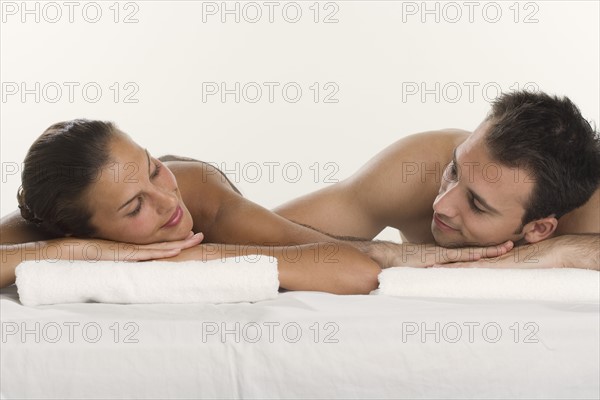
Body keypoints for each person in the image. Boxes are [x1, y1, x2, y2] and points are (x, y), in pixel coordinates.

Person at [0, 120, 507, 292]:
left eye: (154, 168)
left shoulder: (196, 194)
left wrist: (187, 255)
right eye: (135, 207)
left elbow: (354, 270)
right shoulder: (45, 225)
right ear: (86, 230)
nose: (167, 202)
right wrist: (72, 251)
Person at [274, 90, 600, 270]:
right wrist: (389, 254)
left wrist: (562, 252)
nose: (441, 204)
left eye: (476, 204)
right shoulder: (419, 167)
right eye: (454, 171)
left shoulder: (588, 214)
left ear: (539, 229)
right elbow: (246, 236)